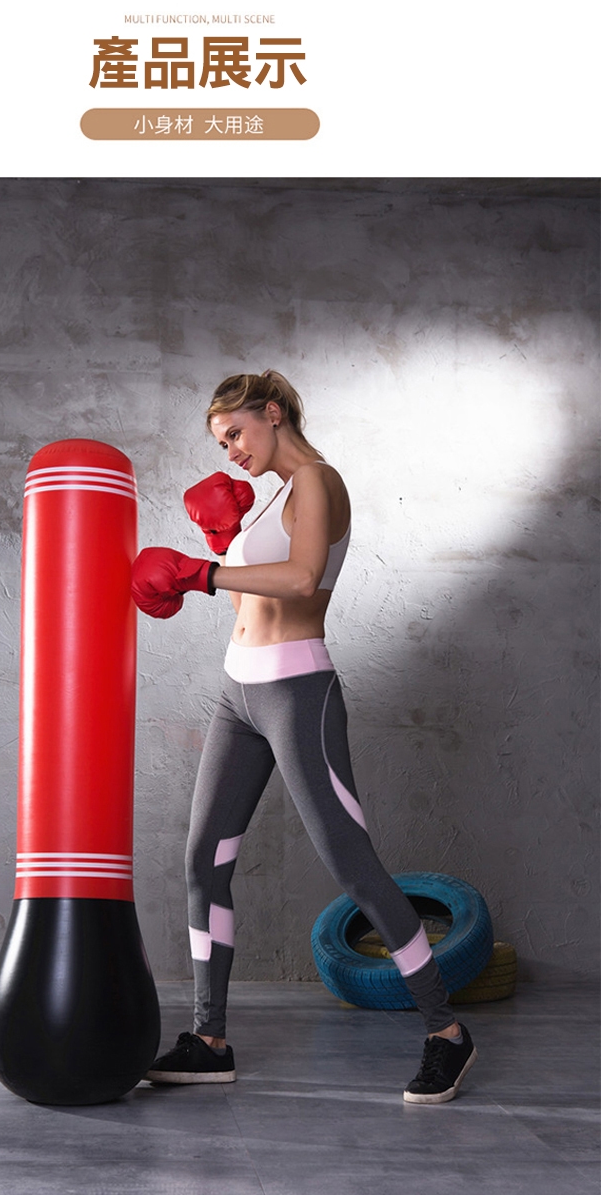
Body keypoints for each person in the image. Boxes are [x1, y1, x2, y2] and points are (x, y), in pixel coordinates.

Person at [131, 369, 477, 1104]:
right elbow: (253, 603)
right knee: (203, 860)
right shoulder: (268, 500)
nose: (231, 452)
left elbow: (302, 580)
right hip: (237, 692)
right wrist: (224, 542)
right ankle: (209, 1039)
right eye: (221, 443)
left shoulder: (318, 480)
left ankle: (446, 1032)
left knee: (352, 866)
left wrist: (204, 571)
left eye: (236, 434)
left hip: (296, 693)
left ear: (273, 413)